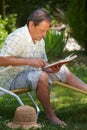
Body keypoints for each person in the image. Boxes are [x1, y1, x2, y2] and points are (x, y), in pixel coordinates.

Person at [0, 8, 87, 127]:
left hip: (29, 74)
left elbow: (42, 65)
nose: (44, 34)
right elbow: (1, 60)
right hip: (10, 79)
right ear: (31, 25)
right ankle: (50, 115)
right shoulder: (18, 37)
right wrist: (30, 62)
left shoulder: (39, 39)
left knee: (62, 70)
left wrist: (51, 69)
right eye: (42, 31)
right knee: (42, 77)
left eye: (46, 31)